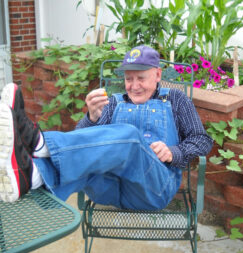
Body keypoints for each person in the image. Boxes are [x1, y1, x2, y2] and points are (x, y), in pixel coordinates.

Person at [0, 45, 213, 210]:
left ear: (157, 75)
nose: (134, 86)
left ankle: (38, 142)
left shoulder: (175, 99)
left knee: (130, 137)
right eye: (128, 79)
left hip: (154, 188)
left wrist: (173, 152)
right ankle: (31, 175)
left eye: (141, 78)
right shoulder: (113, 102)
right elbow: (82, 146)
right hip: (109, 188)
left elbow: (201, 140)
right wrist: (91, 118)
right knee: (87, 162)